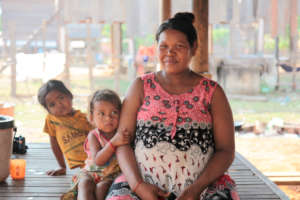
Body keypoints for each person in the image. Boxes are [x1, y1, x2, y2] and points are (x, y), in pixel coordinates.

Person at [106, 12, 239, 200]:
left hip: (203, 188)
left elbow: (226, 150)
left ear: (194, 48)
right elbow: (122, 142)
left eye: (179, 46)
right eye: (164, 46)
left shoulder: (212, 92)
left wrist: (195, 189)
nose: (170, 53)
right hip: (141, 185)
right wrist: (138, 185)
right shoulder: (140, 86)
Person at [62, 89, 131, 200]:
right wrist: (114, 142)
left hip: (110, 175)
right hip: (90, 172)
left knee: (102, 188)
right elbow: (98, 160)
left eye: (114, 112)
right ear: (91, 117)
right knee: (85, 184)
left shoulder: (121, 134)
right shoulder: (94, 135)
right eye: (101, 114)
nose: (108, 118)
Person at [37, 80, 93, 176]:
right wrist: (62, 166)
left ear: (70, 96)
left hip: (96, 162)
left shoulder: (86, 119)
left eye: (61, 98)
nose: (59, 104)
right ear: (48, 110)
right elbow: (54, 143)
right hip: (84, 169)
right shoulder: (52, 120)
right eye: (52, 104)